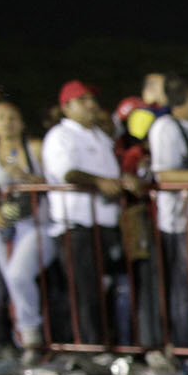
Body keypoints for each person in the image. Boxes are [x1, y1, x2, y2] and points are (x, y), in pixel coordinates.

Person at [42, 80, 142, 346]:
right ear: (66, 107)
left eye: (91, 99)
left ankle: (107, 345)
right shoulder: (60, 136)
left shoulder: (99, 135)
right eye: (83, 100)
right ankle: (90, 349)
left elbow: (110, 174)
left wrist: (124, 180)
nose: (91, 105)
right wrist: (100, 182)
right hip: (77, 225)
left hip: (106, 224)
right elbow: (68, 173)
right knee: (85, 292)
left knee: (106, 289)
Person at [0, 99, 57, 362]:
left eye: (12, 117)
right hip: (5, 227)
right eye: (1, 118)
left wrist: (30, 179)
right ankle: (17, 338)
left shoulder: (35, 148)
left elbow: (53, 181)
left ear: (22, 122)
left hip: (37, 223)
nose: (7, 123)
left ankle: (31, 335)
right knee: (10, 283)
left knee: (18, 275)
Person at [146, 74, 188, 347]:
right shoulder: (165, 128)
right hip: (176, 222)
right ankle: (182, 346)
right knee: (183, 288)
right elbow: (162, 175)